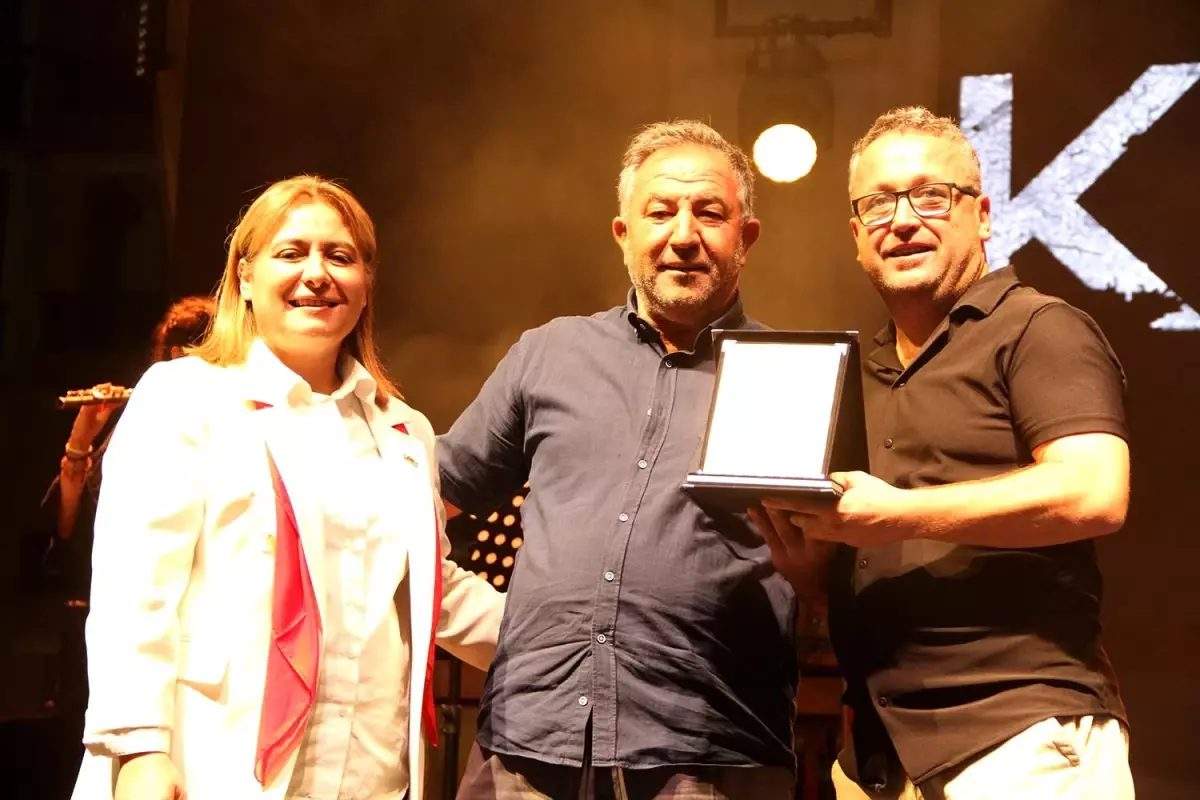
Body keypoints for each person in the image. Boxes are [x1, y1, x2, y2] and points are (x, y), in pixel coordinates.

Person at [72, 175, 504, 800]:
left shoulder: (405, 431)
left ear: (366, 283)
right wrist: (139, 749)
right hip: (216, 763)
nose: (317, 273)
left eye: (340, 256)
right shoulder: (184, 397)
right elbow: (135, 589)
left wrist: (578, 646)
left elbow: (432, 588)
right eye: (291, 252)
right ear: (245, 277)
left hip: (369, 772)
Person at [754, 107, 1133, 798]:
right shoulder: (859, 370)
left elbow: (1093, 491)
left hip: (1017, 740)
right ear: (856, 236)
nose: (902, 220)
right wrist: (814, 574)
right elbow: (872, 555)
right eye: (878, 204)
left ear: (981, 215)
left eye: (931, 196)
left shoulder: (1038, 329)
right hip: (876, 760)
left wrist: (894, 515)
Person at [440, 121, 799, 799]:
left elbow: (831, 564)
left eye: (709, 213)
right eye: (660, 212)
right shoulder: (550, 352)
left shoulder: (789, 375)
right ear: (623, 233)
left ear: (746, 238)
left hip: (707, 753)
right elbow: (424, 499)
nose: (684, 235)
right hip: (526, 742)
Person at [42, 295, 215, 599]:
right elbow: (67, 534)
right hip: (127, 594)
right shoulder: (142, 424)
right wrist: (81, 439)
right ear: (175, 356)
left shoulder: (235, 423)